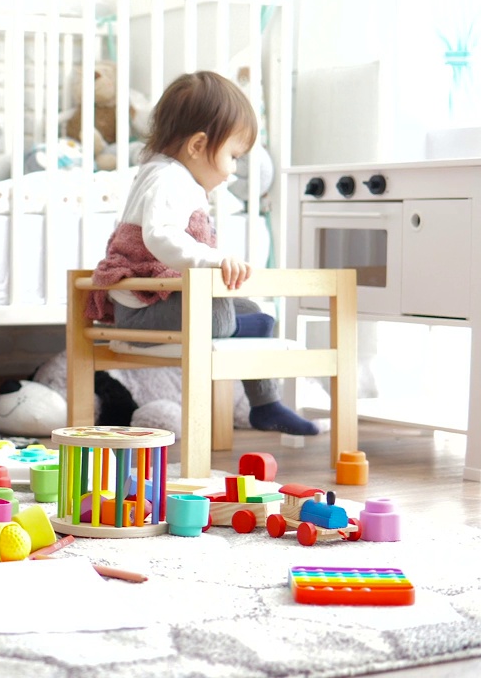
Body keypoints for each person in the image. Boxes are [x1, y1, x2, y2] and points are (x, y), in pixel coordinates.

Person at [86, 71, 319, 436]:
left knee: (251, 311)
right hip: (141, 310)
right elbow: (161, 236)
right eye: (232, 155)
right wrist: (211, 259)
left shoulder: (175, 177)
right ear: (197, 146)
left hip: (158, 299)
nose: (233, 170)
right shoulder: (168, 179)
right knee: (224, 309)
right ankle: (250, 342)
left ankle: (265, 404)